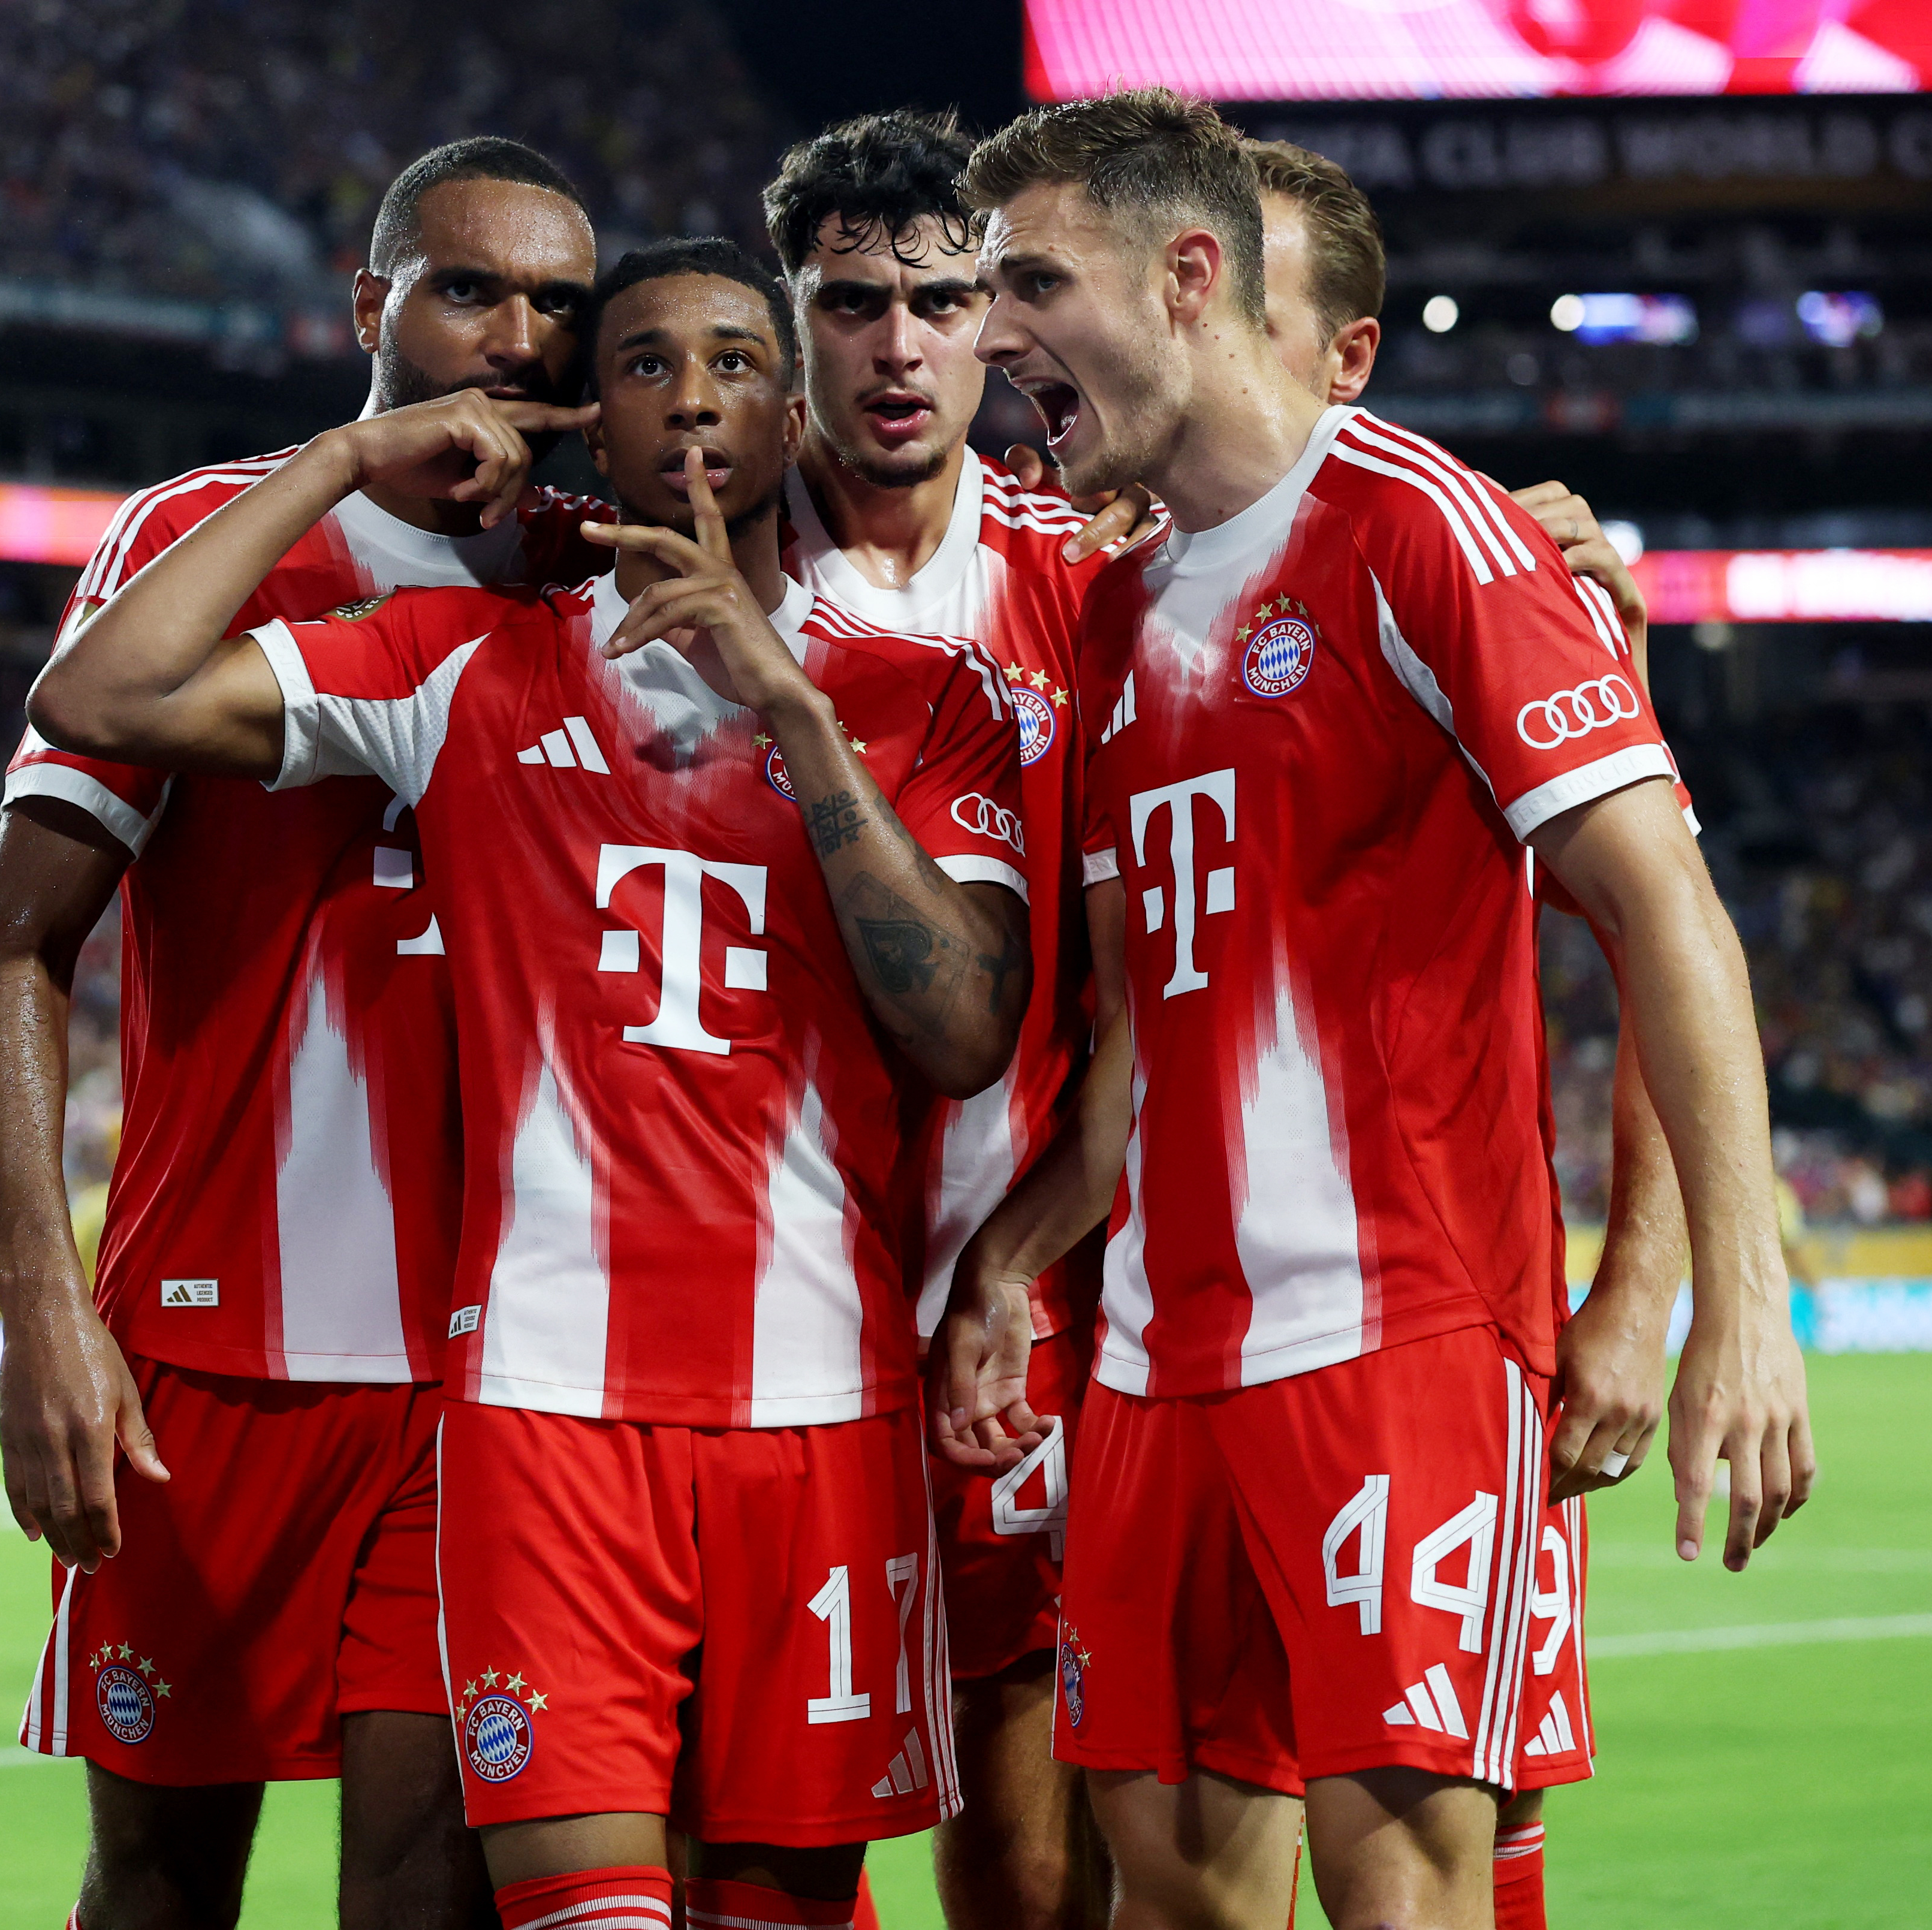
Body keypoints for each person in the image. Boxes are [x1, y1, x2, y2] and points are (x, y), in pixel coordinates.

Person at [24, 236, 1031, 1930]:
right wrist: (341, 454)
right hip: (544, 1426)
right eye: (642, 365)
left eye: (731, 361)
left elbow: (962, 1030)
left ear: (794, 415)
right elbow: (97, 692)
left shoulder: (928, 703)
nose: (693, 395)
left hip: (829, 1426)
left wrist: (785, 704)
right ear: (592, 429)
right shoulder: (462, 663)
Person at [939, 88, 1815, 1930]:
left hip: (1398, 1331)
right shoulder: (1109, 619)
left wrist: (1721, 1298)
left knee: (1406, 1888)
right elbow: (1139, 1043)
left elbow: (1664, 907)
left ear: (1188, 279)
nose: (988, 331)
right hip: (1152, 1366)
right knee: (1167, 1892)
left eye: (1028, 278)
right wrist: (1021, 1258)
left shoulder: (1428, 531)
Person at [0, 135, 604, 1930]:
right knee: (159, 1880)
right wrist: (38, 1302)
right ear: (368, 302)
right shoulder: (199, 544)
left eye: (559, 301)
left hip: (485, 1370)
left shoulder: (597, 577)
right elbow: (16, 939)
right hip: (206, 1347)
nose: (518, 335)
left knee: (421, 1887)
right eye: (471, 286)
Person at [1238, 135, 1692, 1930]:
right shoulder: (1089, 578)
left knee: (1446, 1844)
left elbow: (1671, 938)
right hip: (1111, 1343)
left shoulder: (1453, 567)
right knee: (1107, 1860)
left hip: (1416, 1331)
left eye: (1234, 300)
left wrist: (1644, 1290)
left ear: (1339, 353)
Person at [759, 109, 1144, 1930]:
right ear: (794, 311)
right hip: (755, 1314)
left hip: (1013, 1303)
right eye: (851, 302)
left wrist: (1553, 540)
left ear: (992, 318)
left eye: (937, 299)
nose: (897, 344)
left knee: (1019, 1841)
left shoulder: (1088, 580)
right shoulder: (677, 570)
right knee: (761, 1831)